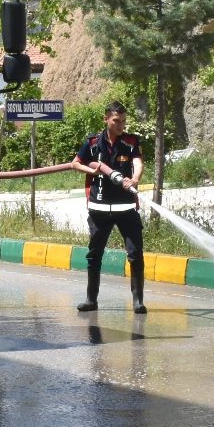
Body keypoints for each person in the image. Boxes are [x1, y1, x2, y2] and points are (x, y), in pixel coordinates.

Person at [69, 101, 146, 314]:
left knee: (135, 254)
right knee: (95, 255)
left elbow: (138, 163)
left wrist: (134, 179)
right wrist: (92, 170)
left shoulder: (131, 142)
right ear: (106, 119)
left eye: (123, 121)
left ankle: (138, 302)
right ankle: (91, 300)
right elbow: (75, 163)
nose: (121, 125)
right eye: (116, 121)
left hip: (126, 209)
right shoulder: (93, 143)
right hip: (99, 209)